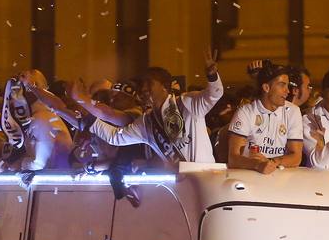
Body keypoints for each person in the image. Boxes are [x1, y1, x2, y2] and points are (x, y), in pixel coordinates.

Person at [83, 50, 225, 164]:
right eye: (142, 85)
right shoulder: (147, 122)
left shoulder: (186, 102)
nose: (144, 89)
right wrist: (88, 119)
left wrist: (212, 76)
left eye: (149, 83)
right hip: (179, 187)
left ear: (164, 87)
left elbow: (214, 94)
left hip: (206, 181)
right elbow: (116, 137)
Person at [227, 62, 304, 173]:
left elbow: (296, 157)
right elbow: (233, 159)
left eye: (287, 85)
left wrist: (270, 162)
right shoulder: (246, 112)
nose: (287, 91)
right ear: (266, 87)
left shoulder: (293, 111)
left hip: (279, 175)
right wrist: (258, 165)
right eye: (282, 85)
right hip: (250, 174)